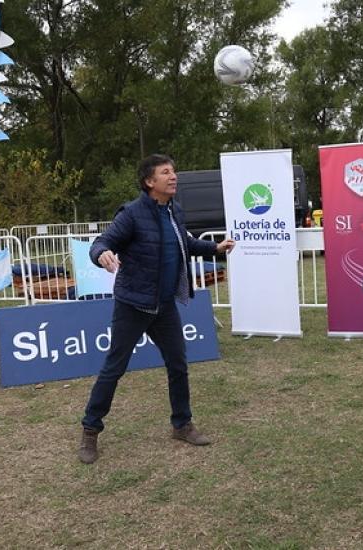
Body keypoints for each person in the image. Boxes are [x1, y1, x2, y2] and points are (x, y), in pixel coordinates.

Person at [78, 154, 236, 464]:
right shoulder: (132, 214)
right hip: (133, 305)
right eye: (166, 172)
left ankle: (182, 424)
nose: (173, 176)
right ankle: (90, 430)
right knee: (114, 368)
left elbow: (185, 244)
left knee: (178, 364)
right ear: (150, 181)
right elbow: (101, 242)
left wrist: (215, 248)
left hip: (164, 306)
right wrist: (102, 254)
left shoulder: (174, 210)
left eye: (173, 171)